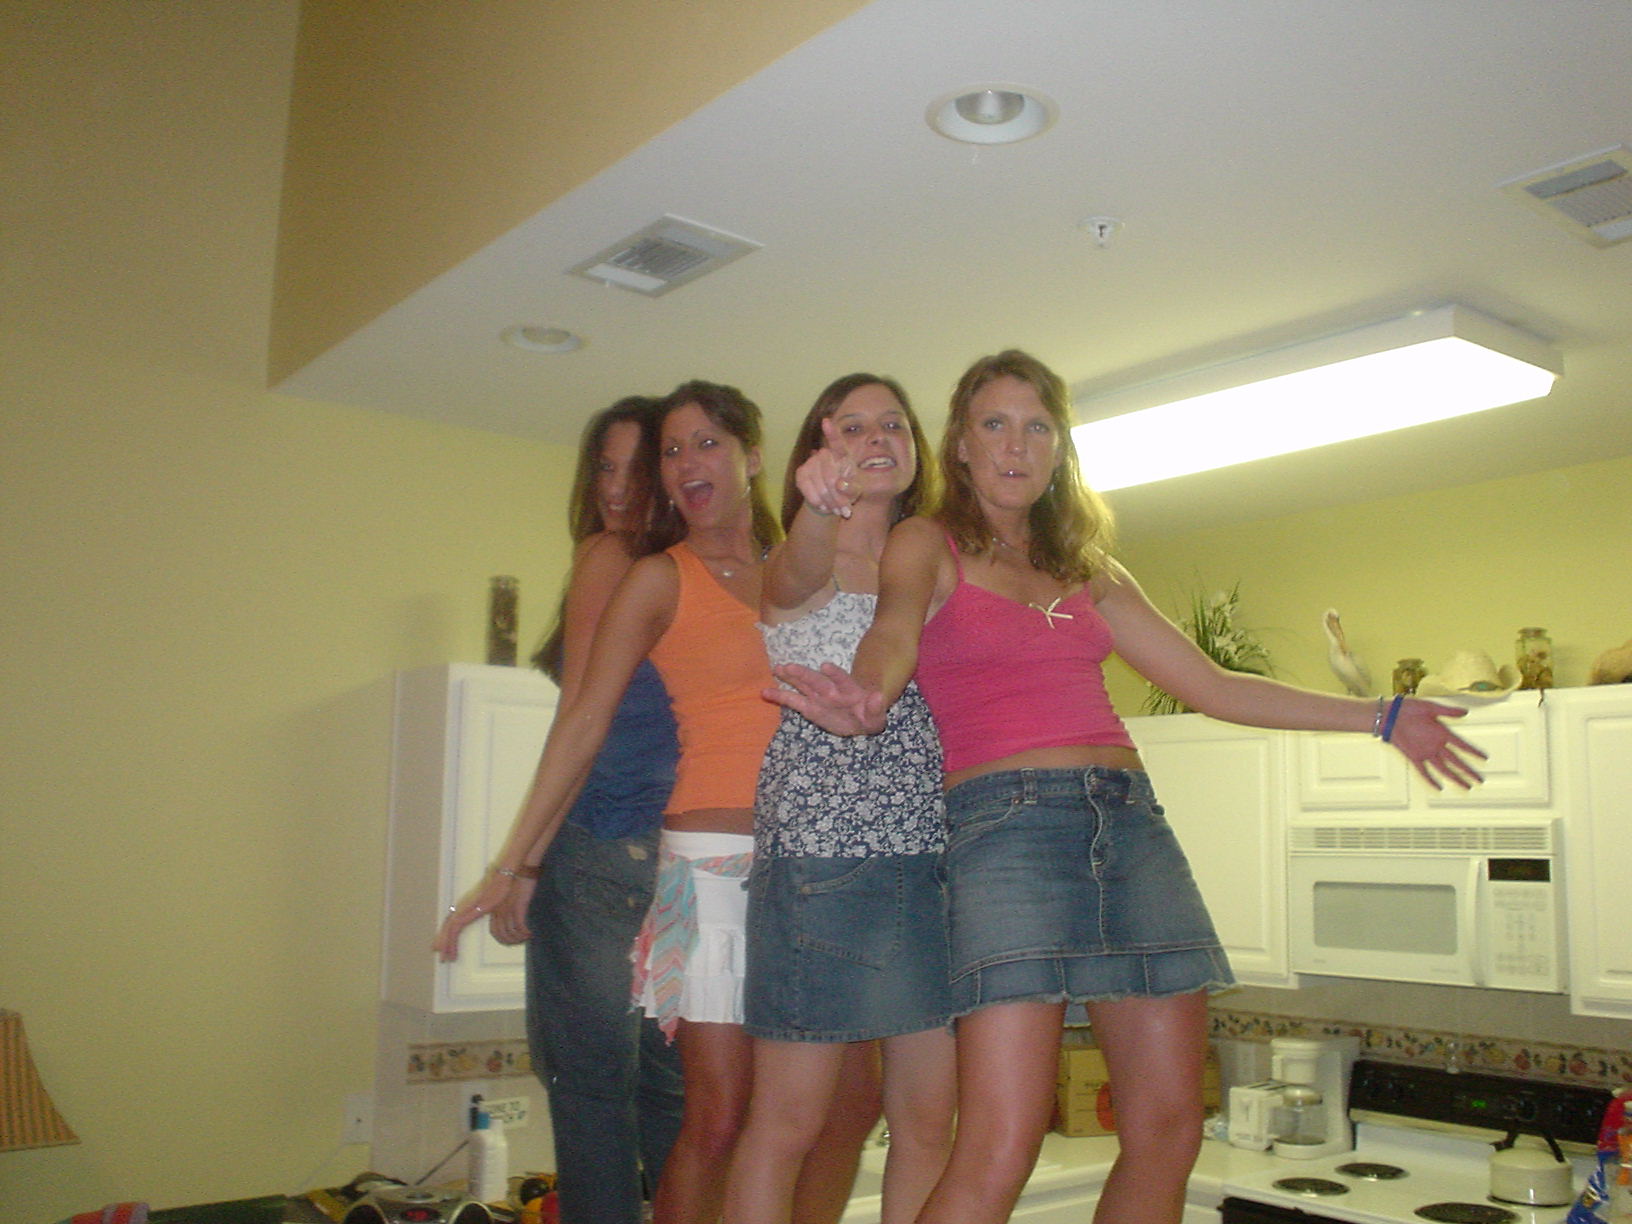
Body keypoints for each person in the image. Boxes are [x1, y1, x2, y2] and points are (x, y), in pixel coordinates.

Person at [768, 349, 1487, 1224]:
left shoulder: (1090, 568)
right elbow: (891, 634)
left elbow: (1212, 685)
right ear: (959, 444)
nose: (1015, 446)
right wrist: (867, 696)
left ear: (1060, 447)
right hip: (1006, 836)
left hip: (1133, 831)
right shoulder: (927, 543)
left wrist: (1381, 715)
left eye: (1037, 427)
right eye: (994, 424)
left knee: (1170, 1131)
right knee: (1002, 1142)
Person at [437, 381, 876, 1224]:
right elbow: (583, 720)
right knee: (717, 1113)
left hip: (812, 865)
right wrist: (513, 864)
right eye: (672, 451)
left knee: (848, 1105)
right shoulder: (654, 575)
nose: (684, 463)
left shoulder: (803, 566)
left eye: (706, 443)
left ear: (752, 456)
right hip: (707, 868)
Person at [722, 375, 959, 1224]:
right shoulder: (804, 557)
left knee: (929, 1122)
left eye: (893, 423)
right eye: (852, 427)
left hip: (931, 862)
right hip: (820, 862)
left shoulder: (938, 561)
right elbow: (795, 572)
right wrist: (819, 507)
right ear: (818, 448)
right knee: (788, 1122)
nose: (877, 438)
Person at [494, 396, 683, 1224]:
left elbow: (580, 721)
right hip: (682, 864)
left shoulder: (610, 557)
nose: (613, 489)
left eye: (635, 469)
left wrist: (524, 864)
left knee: (590, 1092)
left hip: (601, 848)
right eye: (603, 467)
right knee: (673, 1094)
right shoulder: (700, 572)